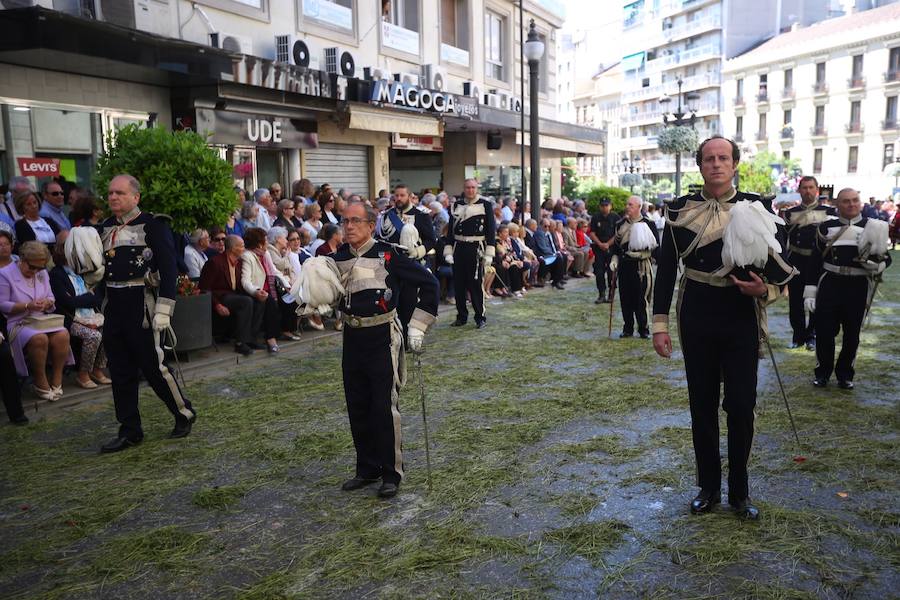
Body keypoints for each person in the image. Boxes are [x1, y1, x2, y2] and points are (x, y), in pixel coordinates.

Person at [652, 136, 795, 520]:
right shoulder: (678, 210)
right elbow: (666, 270)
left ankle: (741, 493)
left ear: (734, 164)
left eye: (724, 158)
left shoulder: (758, 207)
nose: (716, 164)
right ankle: (709, 488)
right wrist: (659, 325)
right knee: (701, 405)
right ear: (700, 165)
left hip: (740, 312)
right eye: (709, 159)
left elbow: (781, 263)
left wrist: (764, 289)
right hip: (696, 310)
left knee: (742, 405)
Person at [330, 201, 438, 498]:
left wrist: (417, 326)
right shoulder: (336, 257)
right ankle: (367, 468)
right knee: (357, 404)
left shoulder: (389, 255)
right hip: (352, 338)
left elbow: (430, 284)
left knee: (383, 406)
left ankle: (392, 472)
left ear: (369, 224)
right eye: (345, 221)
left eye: (355, 221)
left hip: (383, 338)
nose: (349, 226)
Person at [97, 174, 196, 453]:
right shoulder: (104, 228)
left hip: (142, 306)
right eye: (110, 193)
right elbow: (99, 271)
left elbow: (168, 269)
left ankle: (183, 413)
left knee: (155, 369)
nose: (113, 197)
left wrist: (164, 309)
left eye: (119, 192)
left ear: (135, 197)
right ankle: (130, 430)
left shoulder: (153, 225)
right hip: (114, 306)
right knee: (120, 372)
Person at [805, 188, 893, 389]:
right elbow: (814, 262)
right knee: (825, 331)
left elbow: (885, 258)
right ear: (837, 204)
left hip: (858, 286)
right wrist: (810, 291)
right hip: (830, 284)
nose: (852, 204)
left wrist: (879, 266)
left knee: (852, 334)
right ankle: (823, 372)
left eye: (855, 200)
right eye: (846, 201)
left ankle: (845, 374)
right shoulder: (826, 228)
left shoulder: (874, 226)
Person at [0, 241, 74, 401]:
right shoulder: (5, 274)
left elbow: (50, 296)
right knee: (38, 338)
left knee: (62, 334)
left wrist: (48, 302)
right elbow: (2, 304)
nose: (35, 271)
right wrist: (27, 305)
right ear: (22, 259)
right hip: (18, 322)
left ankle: (57, 378)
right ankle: (40, 381)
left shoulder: (42, 273)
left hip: (41, 320)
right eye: (31, 267)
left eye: (39, 268)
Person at [49, 233, 110, 389]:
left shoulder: (83, 270)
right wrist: (86, 297)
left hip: (91, 314)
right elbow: (67, 302)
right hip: (71, 318)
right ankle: (82, 374)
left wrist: (82, 298)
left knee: (109, 329)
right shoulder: (56, 274)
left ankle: (97, 370)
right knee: (94, 336)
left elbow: (97, 297)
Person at [783, 176, 836, 350]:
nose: (807, 191)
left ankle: (812, 335)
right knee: (796, 301)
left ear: (817, 190)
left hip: (817, 262)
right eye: (804, 187)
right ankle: (798, 336)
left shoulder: (829, 213)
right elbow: (784, 239)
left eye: (811, 187)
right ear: (799, 190)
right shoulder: (789, 213)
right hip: (796, 261)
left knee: (815, 300)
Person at [377, 184, 437, 335]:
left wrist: (417, 252)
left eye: (402, 195)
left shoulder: (421, 215)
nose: (398, 198)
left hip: (411, 264)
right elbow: (380, 238)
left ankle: (410, 335)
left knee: (409, 302)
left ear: (409, 196)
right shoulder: (386, 216)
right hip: (390, 265)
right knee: (392, 302)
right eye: (396, 195)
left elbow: (431, 240)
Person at [445, 179, 495, 328]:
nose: (470, 190)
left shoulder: (485, 205)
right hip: (459, 247)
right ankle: (461, 316)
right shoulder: (456, 205)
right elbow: (451, 232)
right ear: (464, 188)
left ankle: (480, 317)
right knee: (459, 284)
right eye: (468, 187)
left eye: (473, 187)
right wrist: (448, 250)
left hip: (476, 248)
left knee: (475, 284)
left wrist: (489, 253)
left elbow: (491, 231)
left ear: (477, 188)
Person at [199, 234, 257, 356]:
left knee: (256, 299)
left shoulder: (239, 262)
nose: (244, 249)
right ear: (232, 248)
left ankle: (251, 339)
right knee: (245, 302)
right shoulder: (215, 263)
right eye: (241, 246)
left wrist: (257, 292)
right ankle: (240, 343)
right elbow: (204, 288)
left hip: (233, 295)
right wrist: (217, 305)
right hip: (220, 297)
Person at [611, 196, 659, 339]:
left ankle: (643, 328)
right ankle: (628, 328)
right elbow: (616, 248)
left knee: (641, 298)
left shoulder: (648, 223)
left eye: (631, 205)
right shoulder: (620, 224)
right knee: (625, 298)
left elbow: (656, 248)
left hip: (641, 267)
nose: (627, 207)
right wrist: (614, 260)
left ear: (639, 207)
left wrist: (641, 255)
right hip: (624, 266)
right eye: (627, 204)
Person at [240, 227, 281, 353]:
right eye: (266, 240)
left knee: (287, 299)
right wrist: (256, 291)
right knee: (270, 303)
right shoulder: (247, 256)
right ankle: (270, 338)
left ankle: (286, 331)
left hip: (270, 287)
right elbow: (245, 281)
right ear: (259, 243)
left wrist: (288, 283)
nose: (268, 243)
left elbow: (274, 271)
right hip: (258, 290)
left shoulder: (265, 254)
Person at [266, 226, 301, 342]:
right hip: (276, 286)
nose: (287, 241)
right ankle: (286, 330)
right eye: (284, 238)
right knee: (289, 301)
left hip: (284, 282)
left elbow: (288, 268)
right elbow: (280, 265)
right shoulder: (270, 250)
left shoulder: (279, 251)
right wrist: (286, 256)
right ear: (277, 239)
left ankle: (291, 328)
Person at [589, 198, 618, 304]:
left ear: (610, 206)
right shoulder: (596, 217)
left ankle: (611, 293)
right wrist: (600, 243)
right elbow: (592, 233)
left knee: (612, 272)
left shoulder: (615, 217)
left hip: (611, 248)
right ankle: (601, 294)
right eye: (603, 205)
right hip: (599, 249)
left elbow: (618, 234)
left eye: (606, 205)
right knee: (599, 272)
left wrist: (608, 244)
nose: (604, 207)